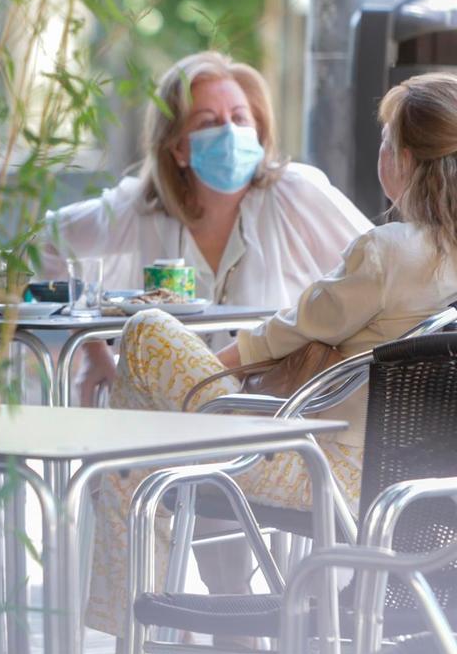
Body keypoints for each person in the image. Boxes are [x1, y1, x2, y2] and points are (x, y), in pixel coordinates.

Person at [85, 72, 457, 641]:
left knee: (148, 332)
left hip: (321, 471)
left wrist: (202, 375)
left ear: (404, 161)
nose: (380, 151)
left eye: (384, 140)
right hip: (407, 480)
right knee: (135, 461)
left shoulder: (387, 252)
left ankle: (131, 631)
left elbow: (284, 332)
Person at [43, 51, 372, 405]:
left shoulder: (296, 193)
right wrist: (93, 353)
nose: (229, 132)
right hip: (173, 420)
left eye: (239, 118)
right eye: (207, 122)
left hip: (280, 414)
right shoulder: (138, 208)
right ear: (177, 148)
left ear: (259, 132)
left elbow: (379, 269)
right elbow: (46, 242)